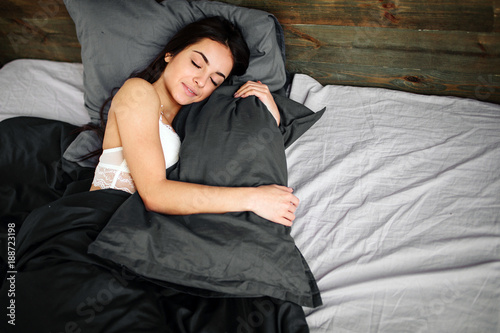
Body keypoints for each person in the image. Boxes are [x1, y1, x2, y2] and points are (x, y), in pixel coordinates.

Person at [89, 16, 299, 226]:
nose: (201, 81)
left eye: (215, 80)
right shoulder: (138, 92)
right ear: (170, 54)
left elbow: (245, 151)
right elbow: (154, 194)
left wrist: (269, 112)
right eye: (196, 63)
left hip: (143, 233)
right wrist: (254, 199)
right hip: (100, 222)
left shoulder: (193, 120)